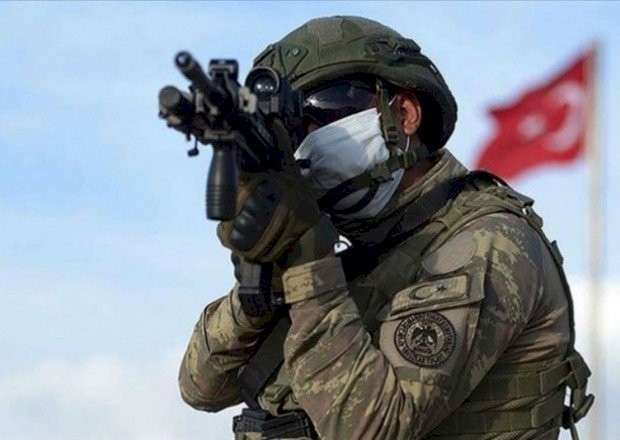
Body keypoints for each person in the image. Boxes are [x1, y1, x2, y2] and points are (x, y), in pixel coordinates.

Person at [178, 16, 593, 440]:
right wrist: (261, 280)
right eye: (291, 130)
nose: (304, 143)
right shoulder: (363, 251)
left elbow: (373, 427)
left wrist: (307, 265)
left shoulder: (487, 241)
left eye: (318, 113)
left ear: (404, 114)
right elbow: (201, 386)